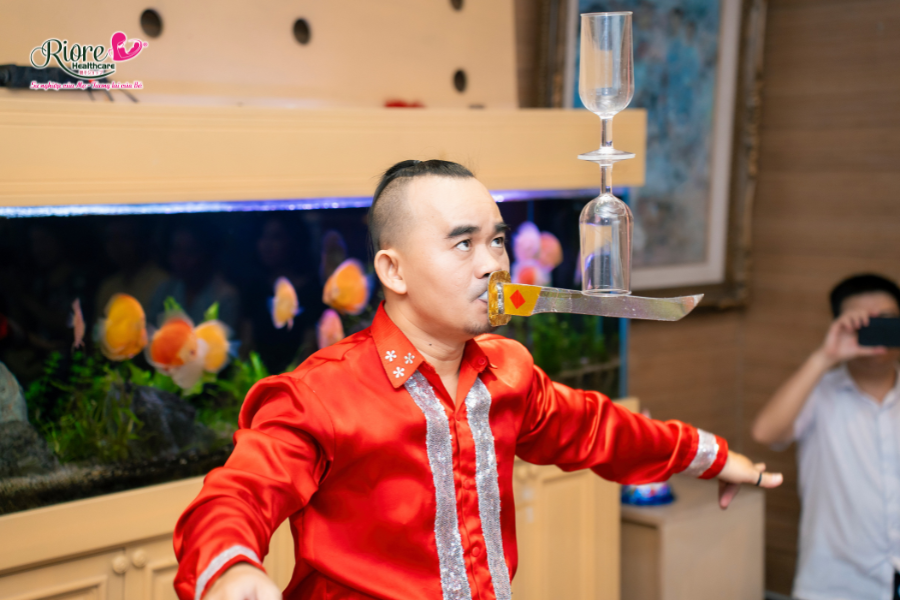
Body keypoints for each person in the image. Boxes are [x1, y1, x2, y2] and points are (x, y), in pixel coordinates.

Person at [174, 160, 781, 600]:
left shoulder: (508, 371)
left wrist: (710, 456)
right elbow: (238, 494)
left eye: (496, 240)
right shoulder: (321, 394)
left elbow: (600, 430)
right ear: (393, 270)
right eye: (463, 244)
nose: (493, 263)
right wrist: (230, 567)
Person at [752, 274, 900, 600]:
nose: (875, 330)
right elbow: (765, 432)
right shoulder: (817, 393)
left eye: (887, 321)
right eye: (862, 322)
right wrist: (825, 356)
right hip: (835, 582)